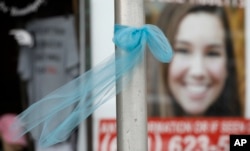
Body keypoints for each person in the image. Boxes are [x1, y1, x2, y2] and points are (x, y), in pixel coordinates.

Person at [147, 3, 242, 117]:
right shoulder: (133, 130)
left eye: (212, 53)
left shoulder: (243, 131)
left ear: (227, 64)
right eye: (183, 51)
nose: (198, 71)